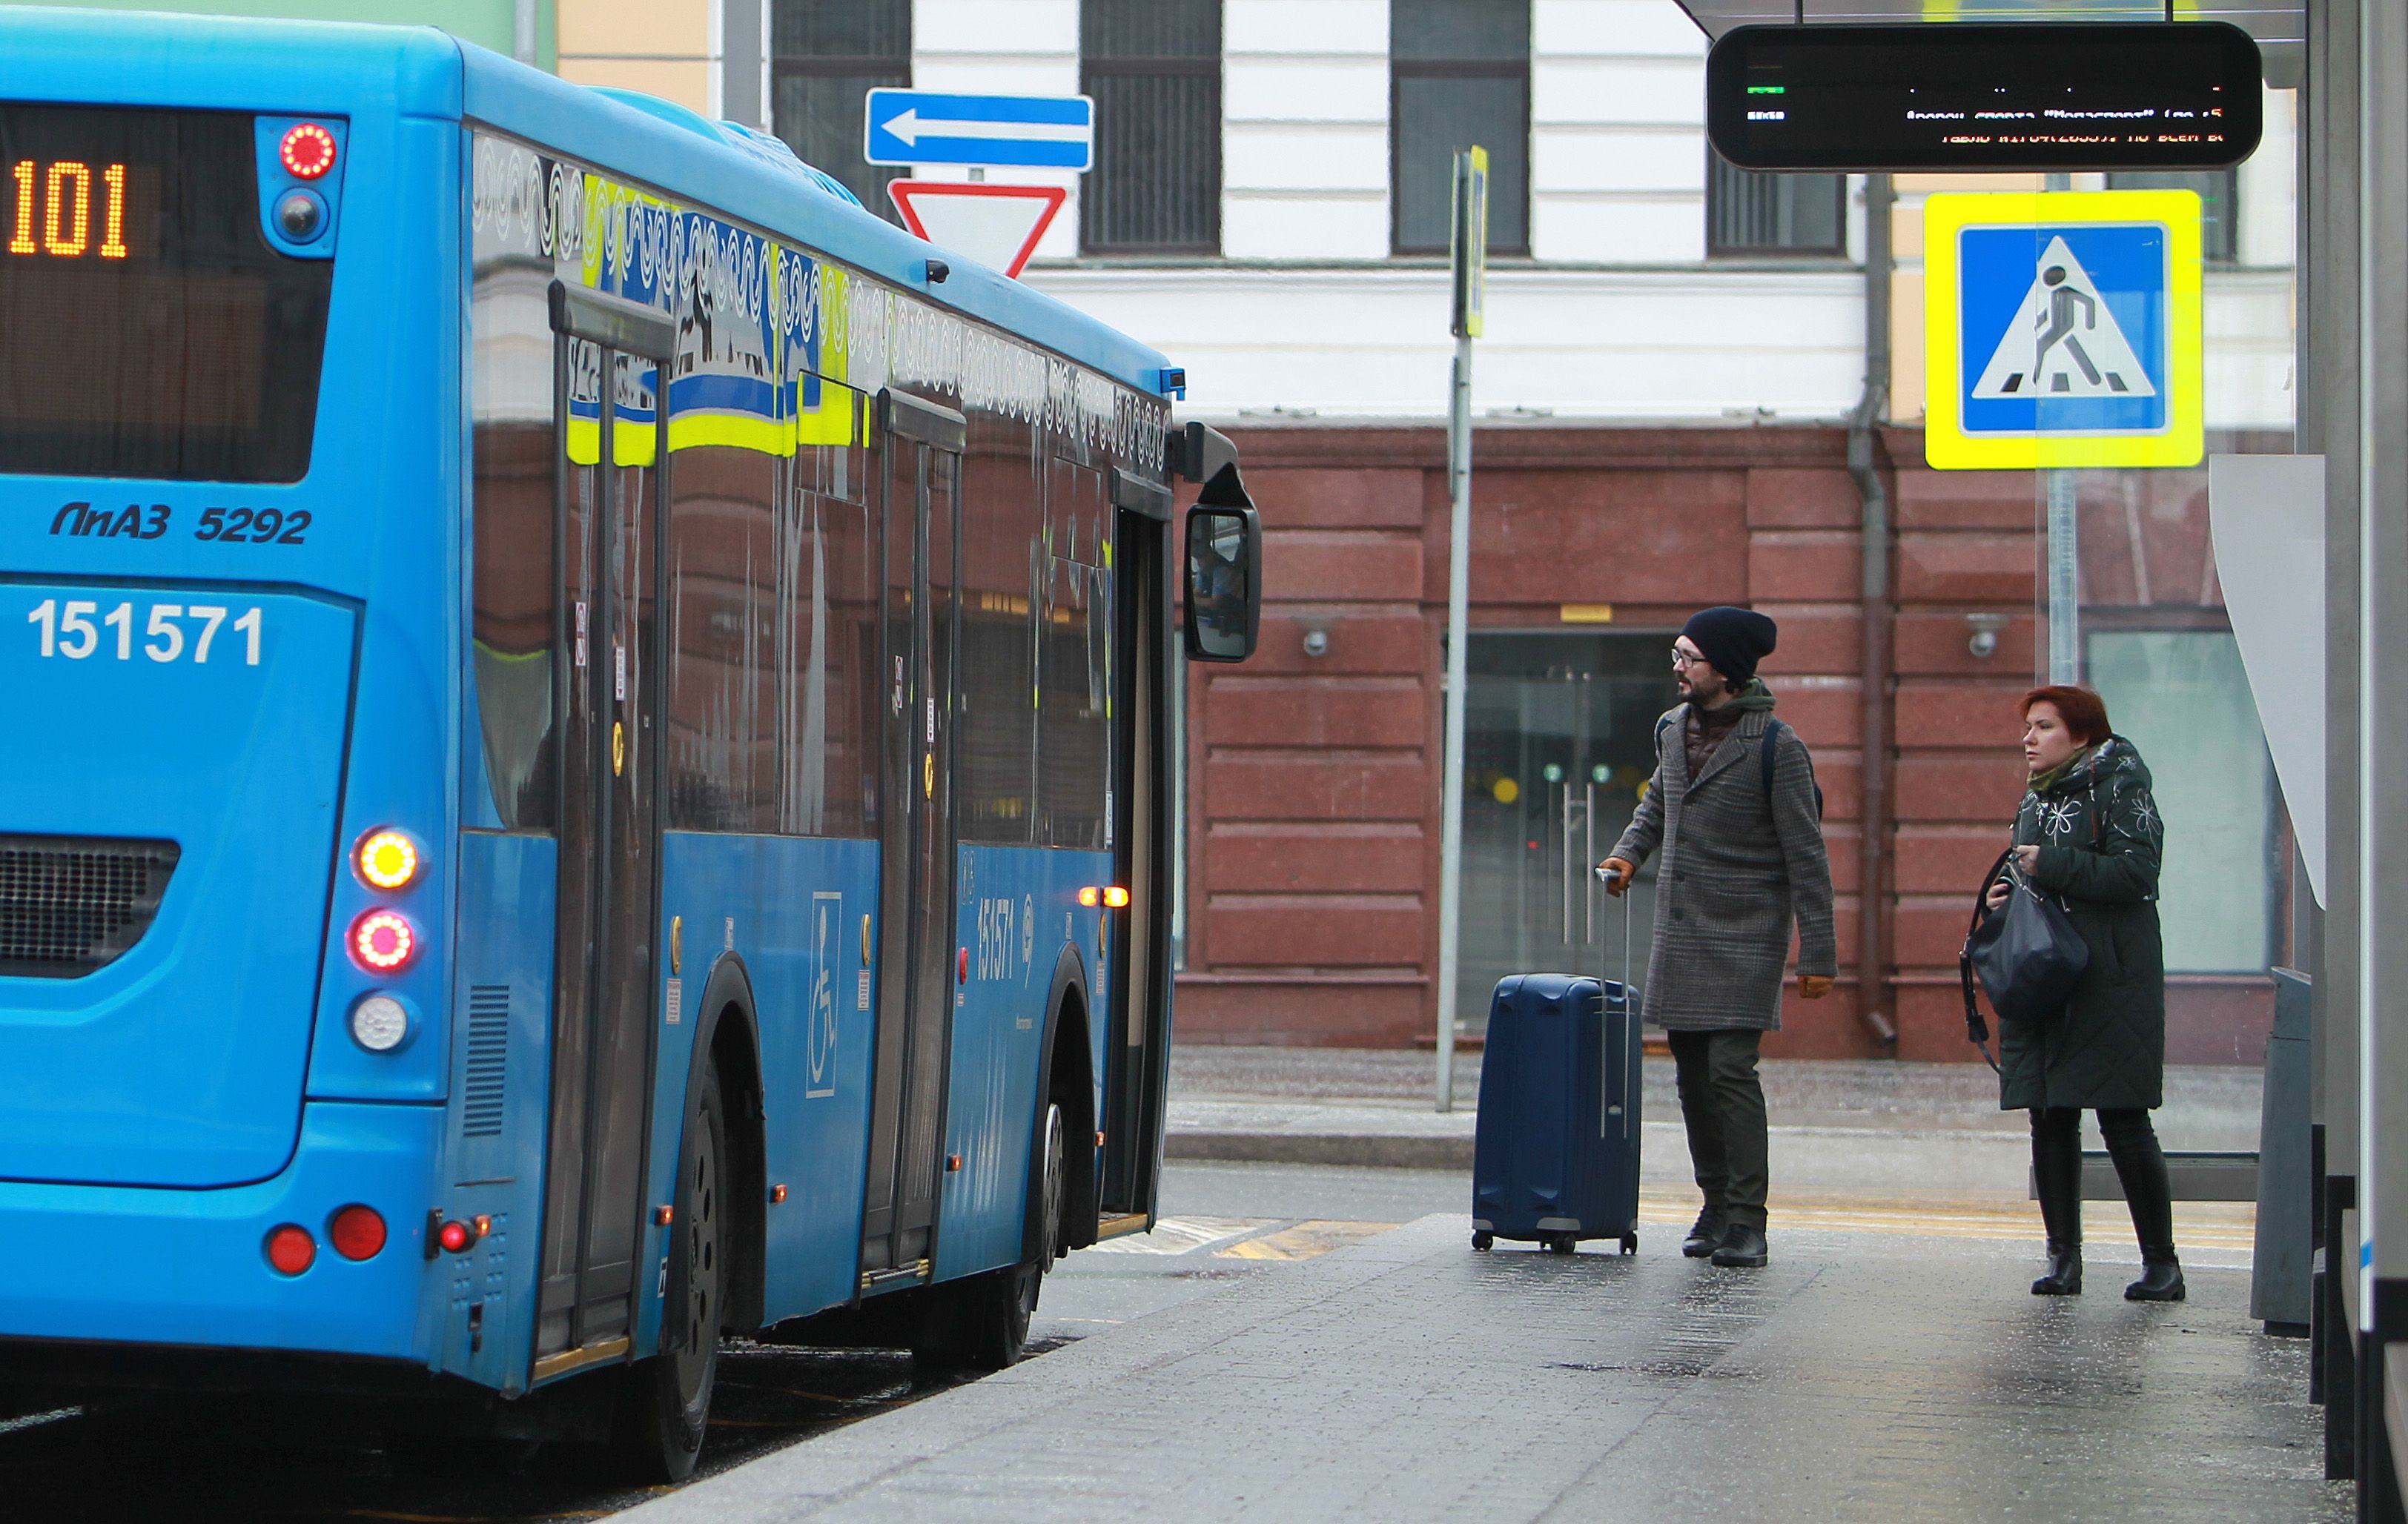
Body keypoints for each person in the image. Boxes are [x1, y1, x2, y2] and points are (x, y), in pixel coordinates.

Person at [1598, 606, 1835, 1269]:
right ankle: (1715, 1203)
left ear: (1725, 669)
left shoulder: (1776, 747)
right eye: (1675, 655)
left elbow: (1807, 856)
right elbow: (1657, 804)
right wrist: (1627, 855)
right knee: (1694, 1077)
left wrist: (1818, 953)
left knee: (1731, 1071)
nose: (1676, 669)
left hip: (1746, 935)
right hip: (1680, 930)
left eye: (1687, 658)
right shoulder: (1672, 730)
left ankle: (1749, 1221)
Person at [1988, 686, 2183, 1302]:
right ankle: (2063, 1260)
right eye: (2028, 727)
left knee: (2123, 1119)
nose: (2029, 738)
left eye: (2043, 727)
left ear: (2082, 735)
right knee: (2049, 1114)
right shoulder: (2034, 797)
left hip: (2108, 983)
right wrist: (2003, 894)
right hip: (2045, 980)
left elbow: (2136, 873)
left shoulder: (2121, 786)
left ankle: (2162, 1265)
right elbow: (2030, 872)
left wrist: (2049, 866)